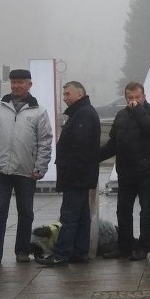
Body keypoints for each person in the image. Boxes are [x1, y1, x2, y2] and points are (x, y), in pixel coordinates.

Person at [0, 68, 53, 266]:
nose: (16, 86)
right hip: (0, 169)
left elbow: (45, 141)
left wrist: (40, 167)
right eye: (14, 82)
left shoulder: (39, 111)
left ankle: (22, 251)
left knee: (26, 213)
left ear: (29, 84)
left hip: (26, 171)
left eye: (21, 82)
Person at [37, 81, 100, 267]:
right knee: (81, 215)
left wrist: (70, 171)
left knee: (69, 215)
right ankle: (79, 252)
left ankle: (62, 253)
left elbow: (80, 147)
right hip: (81, 174)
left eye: (67, 94)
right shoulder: (82, 112)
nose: (64, 98)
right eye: (63, 94)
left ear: (79, 94)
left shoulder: (83, 114)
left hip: (76, 175)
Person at [98, 81, 150, 261]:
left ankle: (143, 246)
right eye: (130, 98)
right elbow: (113, 143)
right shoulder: (121, 116)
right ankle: (124, 246)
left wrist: (138, 111)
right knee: (123, 211)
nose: (133, 101)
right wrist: (94, 156)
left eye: (137, 97)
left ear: (144, 97)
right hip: (126, 172)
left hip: (147, 171)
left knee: (147, 211)